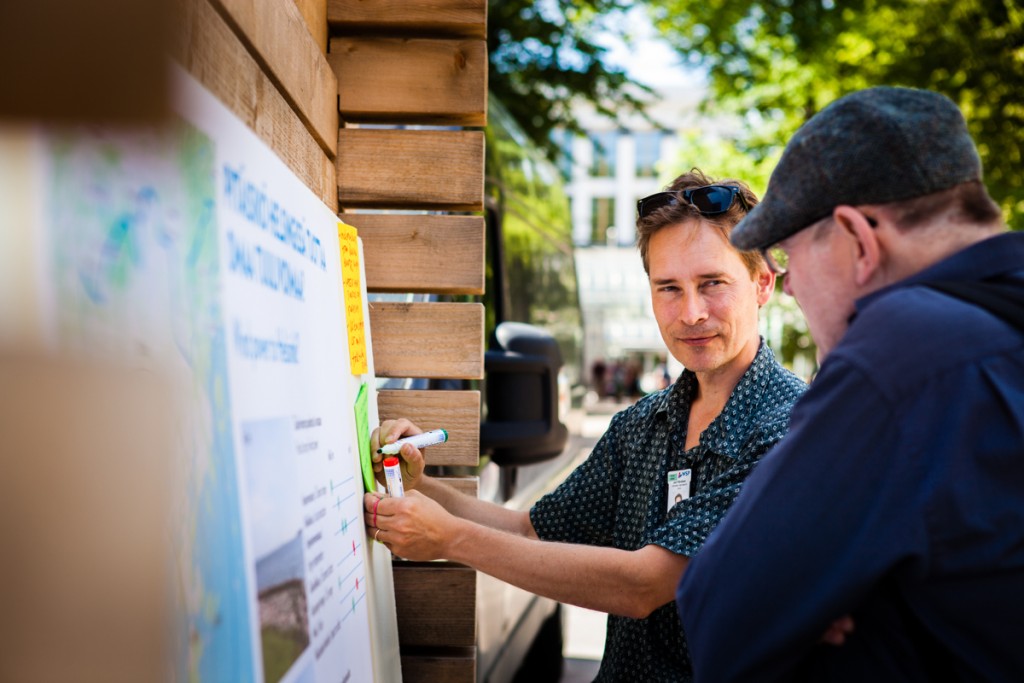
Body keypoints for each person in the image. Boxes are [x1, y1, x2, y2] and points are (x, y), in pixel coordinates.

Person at [365, 169, 807, 680]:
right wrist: (420, 484)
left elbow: (643, 587)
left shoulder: (793, 429)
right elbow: (532, 529)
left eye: (712, 283)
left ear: (762, 283)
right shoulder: (643, 423)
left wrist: (449, 539)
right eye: (668, 287)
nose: (690, 312)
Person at [677, 86, 1024, 681]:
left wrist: (855, 607)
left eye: (789, 254)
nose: (788, 286)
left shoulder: (901, 350)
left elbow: (721, 615)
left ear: (860, 240)